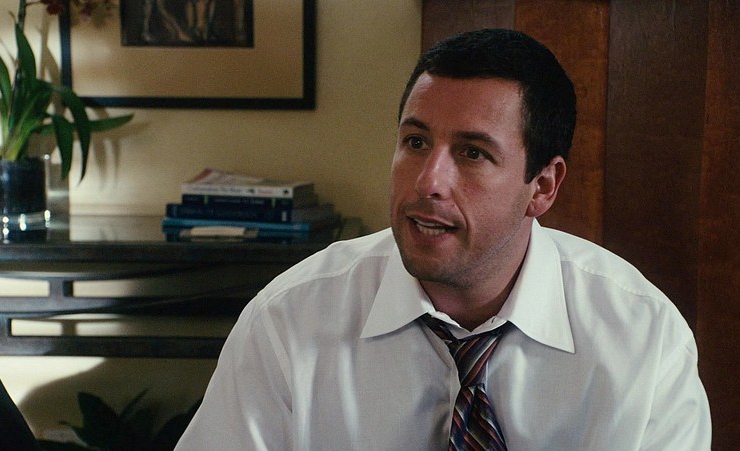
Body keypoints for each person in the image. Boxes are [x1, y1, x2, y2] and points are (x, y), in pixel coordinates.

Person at [175, 29, 711, 450]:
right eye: (415, 142)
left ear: (543, 186)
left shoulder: (643, 340)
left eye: (473, 153)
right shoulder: (286, 321)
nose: (428, 181)